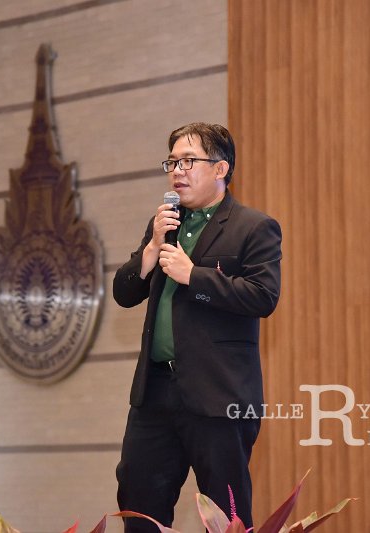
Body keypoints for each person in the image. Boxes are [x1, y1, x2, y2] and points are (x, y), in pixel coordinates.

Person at [113, 122, 282, 532]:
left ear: (221, 168)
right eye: (172, 162)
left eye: (188, 161)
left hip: (218, 395)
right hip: (155, 393)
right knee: (138, 505)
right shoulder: (164, 224)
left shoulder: (253, 227)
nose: (177, 171)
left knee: (225, 517)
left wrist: (194, 276)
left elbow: (263, 296)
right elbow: (124, 293)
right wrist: (152, 248)